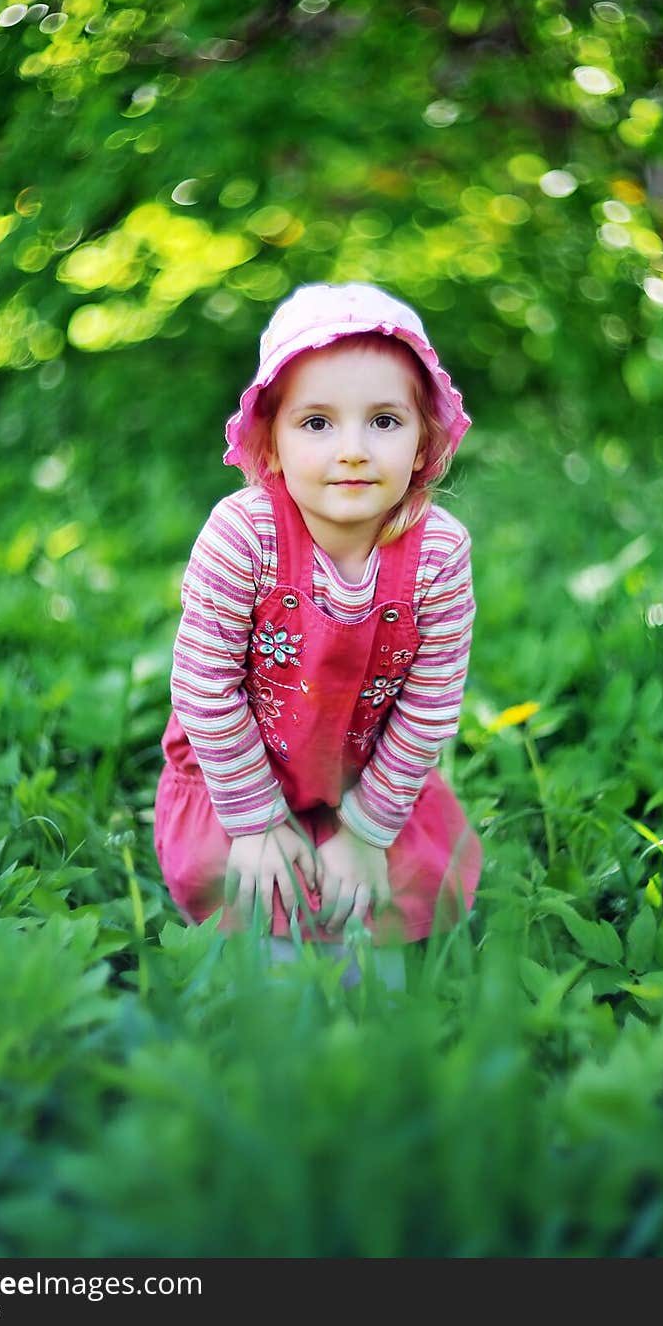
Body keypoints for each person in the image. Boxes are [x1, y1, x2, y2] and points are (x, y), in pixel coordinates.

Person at [154, 281, 482, 977]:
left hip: (366, 780)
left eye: (385, 421)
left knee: (382, 907)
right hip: (241, 769)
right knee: (253, 898)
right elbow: (205, 689)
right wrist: (257, 823)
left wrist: (365, 832)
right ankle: (269, 966)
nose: (355, 450)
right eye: (317, 423)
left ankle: (368, 974)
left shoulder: (438, 553)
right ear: (269, 440)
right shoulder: (242, 535)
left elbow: (429, 709)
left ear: (425, 438)